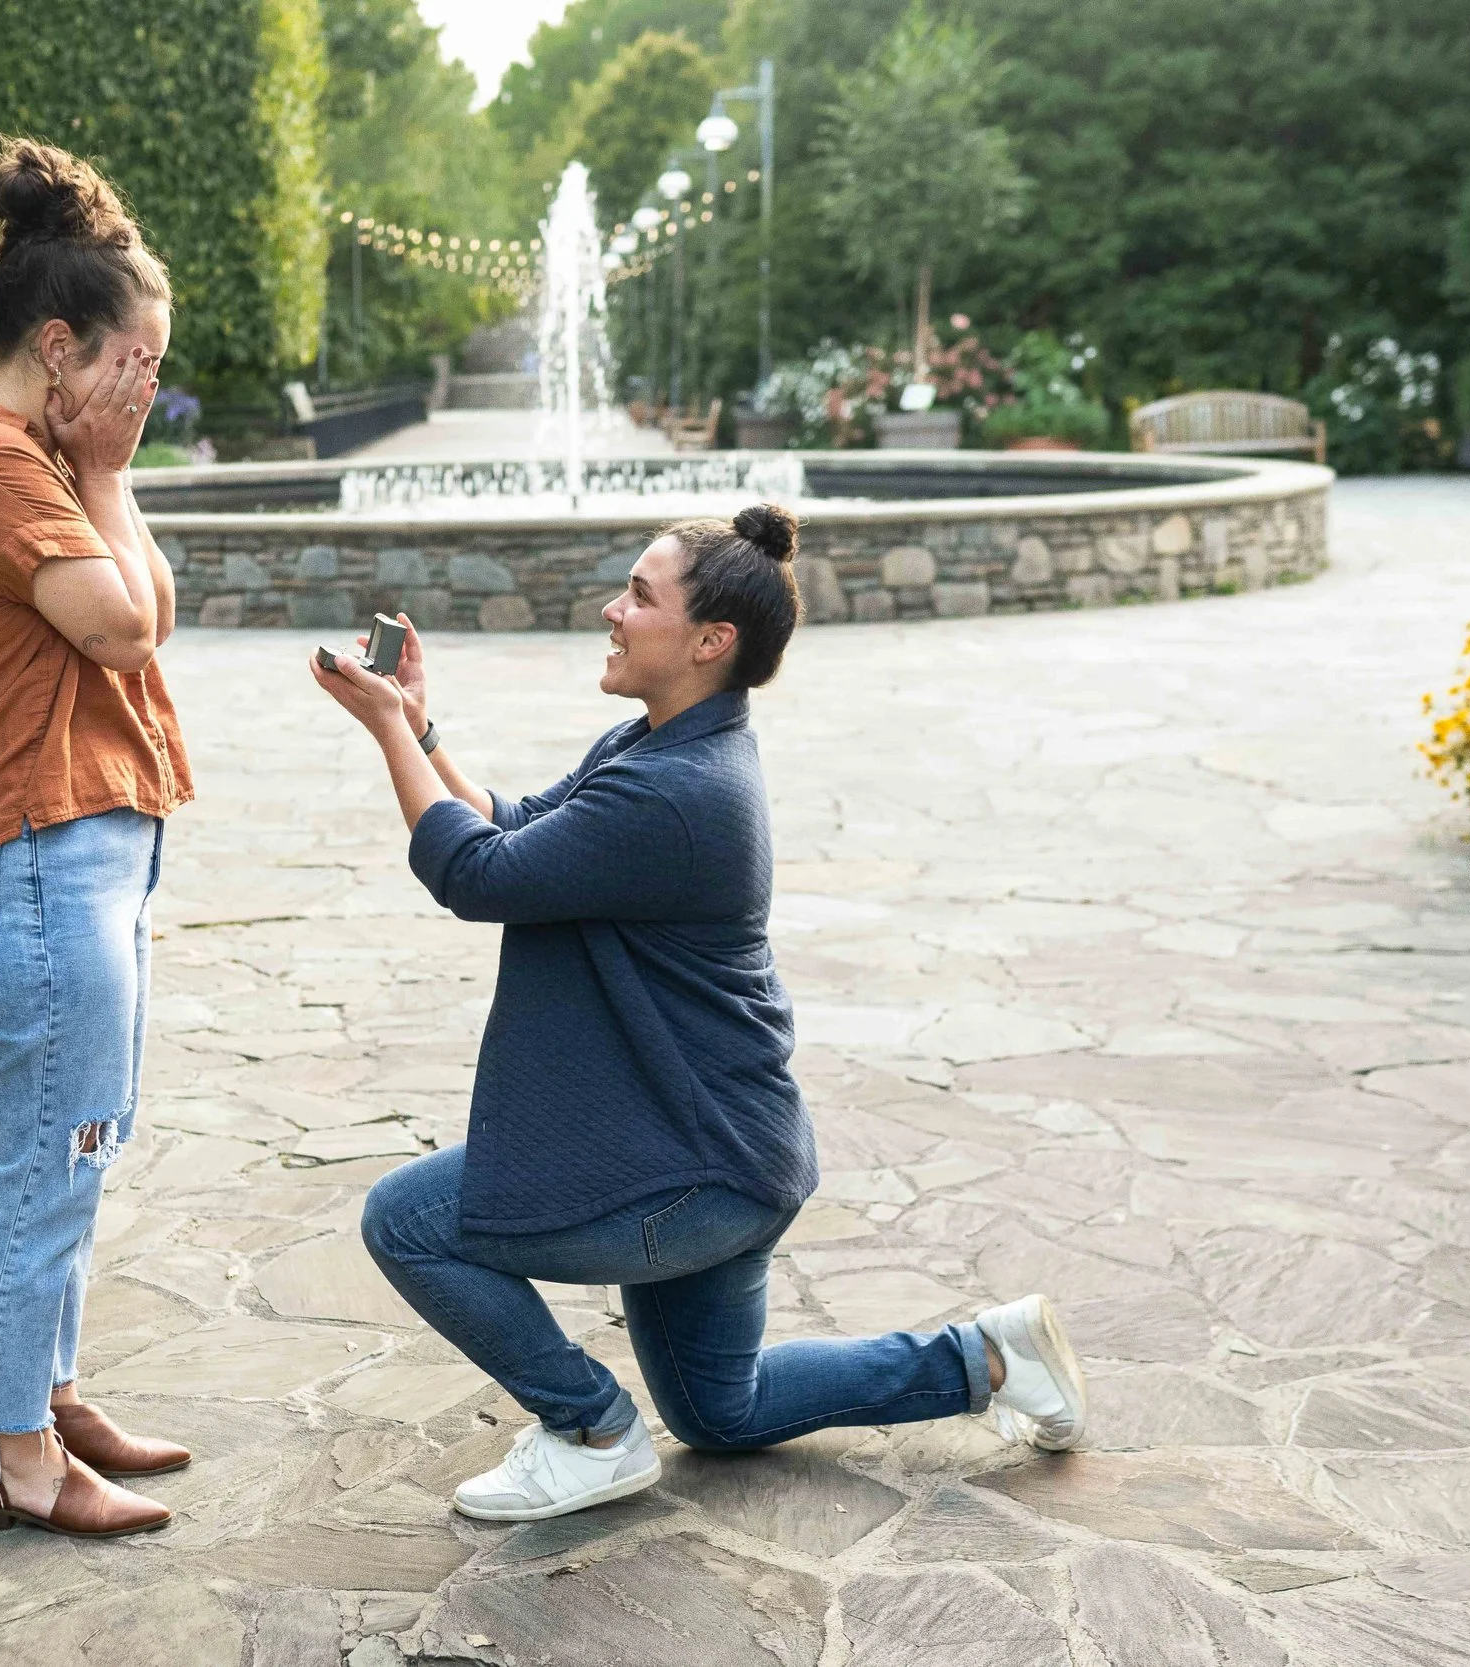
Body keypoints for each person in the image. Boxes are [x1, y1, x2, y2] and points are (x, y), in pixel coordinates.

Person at [309, 505, 1089, 1523]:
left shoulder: (679, 793)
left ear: (710, 640)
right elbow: (510, 826)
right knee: (725, 1409)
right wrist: (418, 727)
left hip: (691, 1168)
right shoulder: (660, 750)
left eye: (638, 594)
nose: (611, 609)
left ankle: (589, 1430)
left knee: (407, 1221)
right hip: (724, 1150)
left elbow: (472, 872)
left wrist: (380, 730)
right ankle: (989, 1353)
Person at [0, 137, 189, 1540]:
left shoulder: (39, 461)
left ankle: (47, 1393)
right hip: (25, 857)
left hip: (69, 850)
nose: (149, 390)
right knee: (41, 1159)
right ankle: (15, 1457)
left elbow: (154, 610)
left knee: (73, 1145)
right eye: (138, 362)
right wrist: (112, 473)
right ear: (62, 349)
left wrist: (106, 472)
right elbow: (126, 623)